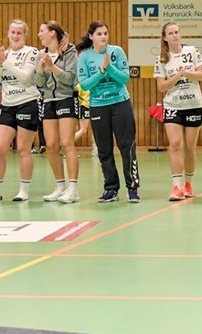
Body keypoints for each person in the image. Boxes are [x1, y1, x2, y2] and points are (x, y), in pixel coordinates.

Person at [77, 20, 140, 203]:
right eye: (99, 34)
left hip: (120, 103)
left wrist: (109, 67)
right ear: (91, 36)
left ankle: (132, 188)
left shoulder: (116, 52)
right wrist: (101, 71)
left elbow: (124, 78)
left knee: (127, 146)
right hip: (98, 105)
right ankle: (111, 188)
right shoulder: (85, 57)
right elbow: (85, 84)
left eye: (105, 33)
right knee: (104, 149)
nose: (103, 37)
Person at [0, 19, 41, 202]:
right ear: (8, 34)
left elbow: (25, 77)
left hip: (28, 102)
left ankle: (23, 191)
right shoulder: (5, 54)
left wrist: (5, 62)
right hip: (7, 105)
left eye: (19, 32)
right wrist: (0, 63)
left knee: (23, 148)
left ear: (25, 35)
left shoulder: (31, 52)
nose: (16, 36)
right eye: (13, 32)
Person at [154, 21, 202, 201]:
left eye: (177, 32)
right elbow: (161, 87)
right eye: (171, 33)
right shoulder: (162, 59)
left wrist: (186, 73)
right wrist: (177, 76)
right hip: (173, 106)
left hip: (193, 104)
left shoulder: (192, 51)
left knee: (190, 148)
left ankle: (188, 184)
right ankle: (176, 187)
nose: (175, 35)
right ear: (165, 38)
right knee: (175, 145)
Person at [34, 20, 80, 203]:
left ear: (52, 33)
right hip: (48, 101)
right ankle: (60, 186)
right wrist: (41, 70)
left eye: (42, 31)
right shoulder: (41, 55)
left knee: (67, 143)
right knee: (51, 146)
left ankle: (73, 189)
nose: (39, 34)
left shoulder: (70, 51)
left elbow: (70, 79)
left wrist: (52, 67)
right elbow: (38, 83)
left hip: (66, 98)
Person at [75, 85, 97, 157]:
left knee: (96, 128)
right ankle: (67, 147)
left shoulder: (93, 83)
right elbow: (76, 97)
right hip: (84, 107)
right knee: (83, 130)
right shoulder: (80, 85)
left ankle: (96, 150)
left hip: (94, 106)